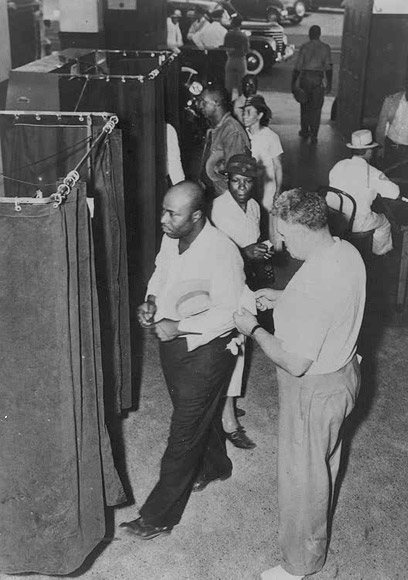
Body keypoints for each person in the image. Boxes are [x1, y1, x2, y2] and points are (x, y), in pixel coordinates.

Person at [234, 188, 366, 580]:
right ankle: (306, 551)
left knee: (302, 479)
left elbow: (293, 361)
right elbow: (325, 303)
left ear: (301, 229)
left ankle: (299, 566)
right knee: (322, 464)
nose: (282, 244)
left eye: (284, 236)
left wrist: (253, 327)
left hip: (313, 390)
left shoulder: (316, 283)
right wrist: (282, 298)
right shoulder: (344, 252)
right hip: (342, 374)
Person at [120, 181, 245, 540]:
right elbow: (161, 271)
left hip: (208, 351)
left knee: (183, 433)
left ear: (196, 216)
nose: (162, 219)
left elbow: (231, 313)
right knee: (194, 413)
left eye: (171, 214)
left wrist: (180, 325)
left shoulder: (223, 252)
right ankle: (217, 465)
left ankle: (159, 516)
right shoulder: (172, 237)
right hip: (171, 342)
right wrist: (151, 300)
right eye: (163, 209)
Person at [211, 154, 273, 450]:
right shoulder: (218, 209)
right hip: (224, 284)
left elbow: (252, 241)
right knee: (231, 344)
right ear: (227, 180)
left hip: (246, 281)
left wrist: (261, 252)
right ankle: (228, 421)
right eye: (235, 181)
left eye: (248, 181)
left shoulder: (254, 207)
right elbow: (216, 252)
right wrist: (248, 252)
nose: (242, 187)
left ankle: (228, 401)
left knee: (241, 344)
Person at [329, 129, 400, 255]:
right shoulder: (371, 172)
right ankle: (378, 255)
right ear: (369, 151)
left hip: (334, 220)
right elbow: (395, 192)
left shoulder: (339, 165)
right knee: (384, 222)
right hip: (356, 224)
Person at [242, 94, 283, 245]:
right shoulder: (241, 135)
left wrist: (278, 191)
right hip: (249, 186)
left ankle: (270, 256)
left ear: (259, 115)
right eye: (243, 111)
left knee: (267, 224)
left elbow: (278, 166)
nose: (244, 116)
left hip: (267, 188)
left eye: (249, 112)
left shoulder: (271, 136)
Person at [199, 85, 250, 197]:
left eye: (204, 102)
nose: (200, 106)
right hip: (213, 194)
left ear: (217, 103)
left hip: (225, 198)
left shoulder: (231, 132)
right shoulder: (216, 128)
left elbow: (237, 176)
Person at [376, 78, 408, 180]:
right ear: (406, 89)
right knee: (385, 179)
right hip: (389, 146)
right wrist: (380, 147)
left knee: (404, 183)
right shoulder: (391, 100)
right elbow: (382, 125)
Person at [292, 25, 332, 144]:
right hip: (317, 79)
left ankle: (305, 131)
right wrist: (329, 83)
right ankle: (314, 134)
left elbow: (298, 67)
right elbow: (328, 68)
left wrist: (293, 83)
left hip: (305, 78)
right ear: (319, 34)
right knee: (316, 108)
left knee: (304, 106)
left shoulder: (304, 47)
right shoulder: (325, 48)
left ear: (310, 34)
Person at [223, 15, 250, 99]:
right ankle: (240, 103)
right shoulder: (243, 36)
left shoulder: (228, 35)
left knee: (228, 85)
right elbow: (246, 50)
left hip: (230, 60)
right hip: (240, 60)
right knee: (241, 85)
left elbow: (225, 46)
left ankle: (228, 103)